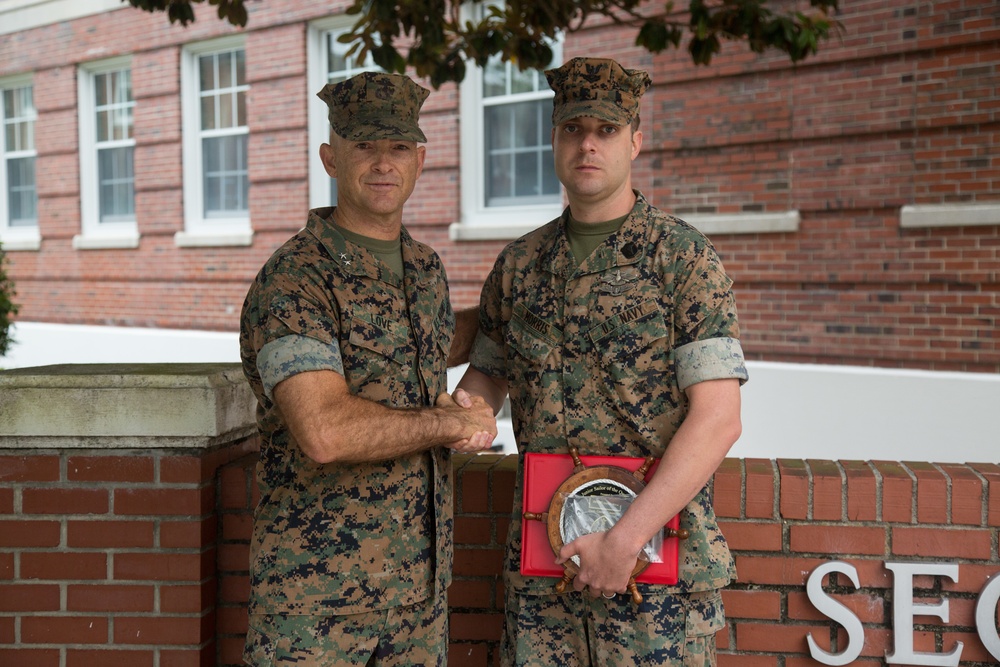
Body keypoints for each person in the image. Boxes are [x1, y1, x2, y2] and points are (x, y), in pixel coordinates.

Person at [456, 57, 749, 666]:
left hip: (655, 569)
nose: (587, 143)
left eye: (607, 130)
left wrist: (626, 538)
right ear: (555, 139)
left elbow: (718, 417)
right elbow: (487, 380)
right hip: (546, 565)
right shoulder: (520, 265)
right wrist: (462, 414)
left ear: (635, 141)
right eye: (572, 128)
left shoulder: (683, 259)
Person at [239, 71, 497, 667]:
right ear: (331, 158)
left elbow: (431, 341)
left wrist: (517, 309)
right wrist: (450, 425)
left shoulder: (424, 268)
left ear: (420, 159)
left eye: (399, 146)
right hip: (316, 609)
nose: (384, 162)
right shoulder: (295, 280)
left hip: (418, 603)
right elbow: (324, 432)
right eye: (364, 146)